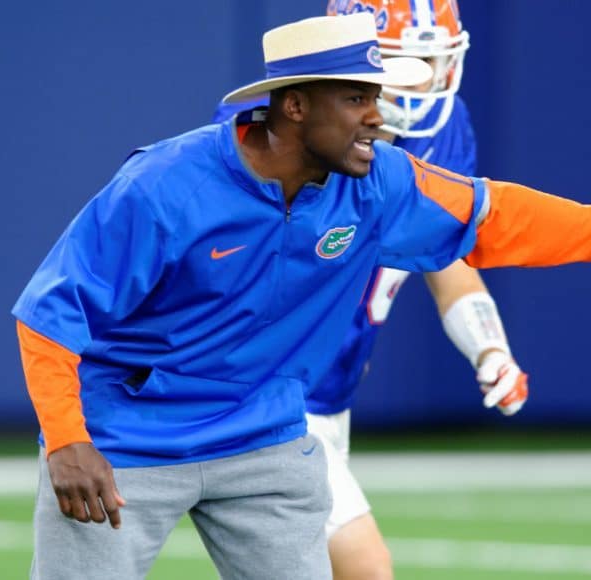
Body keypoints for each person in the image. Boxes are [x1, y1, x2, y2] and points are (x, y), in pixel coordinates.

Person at [13, 12, 591, 580]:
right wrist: (69, 439)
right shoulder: (163, 188)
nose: (379, 116)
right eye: (357, 98)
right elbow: (50, 313)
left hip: (260, 433)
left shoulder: (381, 183)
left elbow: (498, 216)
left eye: (379, 98)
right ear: (293, 107)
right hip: (123, 441)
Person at [212, 2, 525, 578]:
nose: (429, 79)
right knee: (366, 570)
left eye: (438, 60)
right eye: (414, 61)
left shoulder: (443, 130)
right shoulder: (289, 136)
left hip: (326, 393)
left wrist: (489, 346)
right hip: (266, 390)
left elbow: (444, 254)